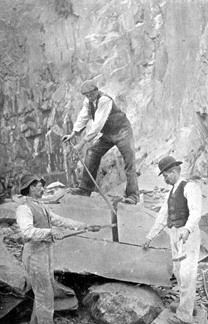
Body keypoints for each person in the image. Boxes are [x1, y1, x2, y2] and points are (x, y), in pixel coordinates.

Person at [16, 173, 100, 324]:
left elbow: (60, 220)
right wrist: (50, 231)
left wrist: (85, 226)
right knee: (45, 295)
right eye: (40, 186)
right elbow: (27, 232)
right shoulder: (24, 209)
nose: (43, 189)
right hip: (34, 254)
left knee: (43, 293)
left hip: (45, 252)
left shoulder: (41, 206)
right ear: (31, 188)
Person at [142, 156, 201, 324]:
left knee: (186, 273)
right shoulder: (171, 192)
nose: (165, 179)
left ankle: (184, 317)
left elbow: (196, 211)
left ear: (174, 172)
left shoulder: (190, 187)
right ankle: (187, 305)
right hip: (175, 236)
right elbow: (162, 217)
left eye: (166, 175)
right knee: (178, 271)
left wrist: (187, 229)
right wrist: (150, 237)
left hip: (188, 236)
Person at [62, 80, 139, 205]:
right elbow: (83, 117)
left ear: (96, 91)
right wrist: (73, 134)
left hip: (122, 131)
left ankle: (133, 195)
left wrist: (82, 143)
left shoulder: (104, 100)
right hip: (108, 134)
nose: (90, 97)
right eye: (87, 95)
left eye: (92, 94)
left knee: (129, 162)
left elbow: (97, 125)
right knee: (92, 152)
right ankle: (85, 189)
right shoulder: (88, 102)